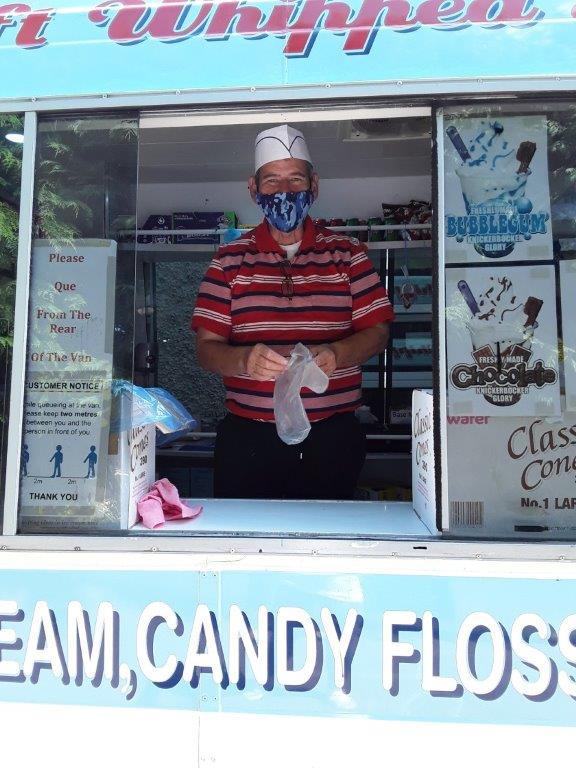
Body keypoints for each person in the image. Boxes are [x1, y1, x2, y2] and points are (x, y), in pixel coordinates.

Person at [192, 124, 394, 500]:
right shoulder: (227, 261)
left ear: (313, 186)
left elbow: (379, 332)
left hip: (332, 439)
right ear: (253, 189)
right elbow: (206, 349)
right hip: (248, 441)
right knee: (245, 534)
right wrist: (244, 360)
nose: (284, 191)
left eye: (295, 179)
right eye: (271, 181)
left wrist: (338, 353)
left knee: (327, 534)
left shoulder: (349, 254)